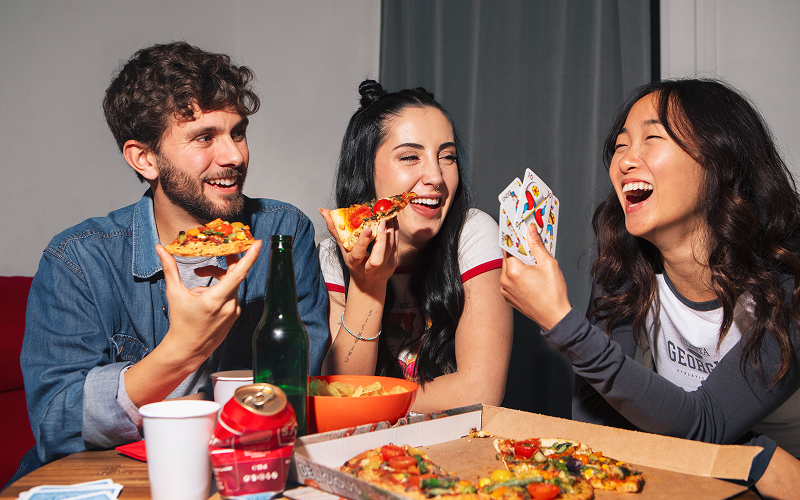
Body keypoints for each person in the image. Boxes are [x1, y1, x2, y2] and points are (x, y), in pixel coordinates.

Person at [15, 42, 328, 480]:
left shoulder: (283, 233)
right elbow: (56, 423)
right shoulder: (79, 259)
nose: (234, 156)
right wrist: (183, 349)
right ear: (145, 158)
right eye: (205, 137)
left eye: (237, 132)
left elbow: (293, 384)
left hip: (247, 474)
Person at [499, 78, 800, 497]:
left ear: (720, 161)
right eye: (621, 145)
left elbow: (706, 422)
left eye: (652, 138)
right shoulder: (623, 267)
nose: (625, 161)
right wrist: (756, 457)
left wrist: (563, 324)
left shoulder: (789, 279)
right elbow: (596, 421)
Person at [317, 80, 513, 413]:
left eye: (447, 157)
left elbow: (481, 391)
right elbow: (341, 393)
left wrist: (368, 404)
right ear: (365, 171)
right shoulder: (331, 255)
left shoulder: (473, 233)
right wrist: (369, 286)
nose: (436, 176)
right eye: (410, 157)